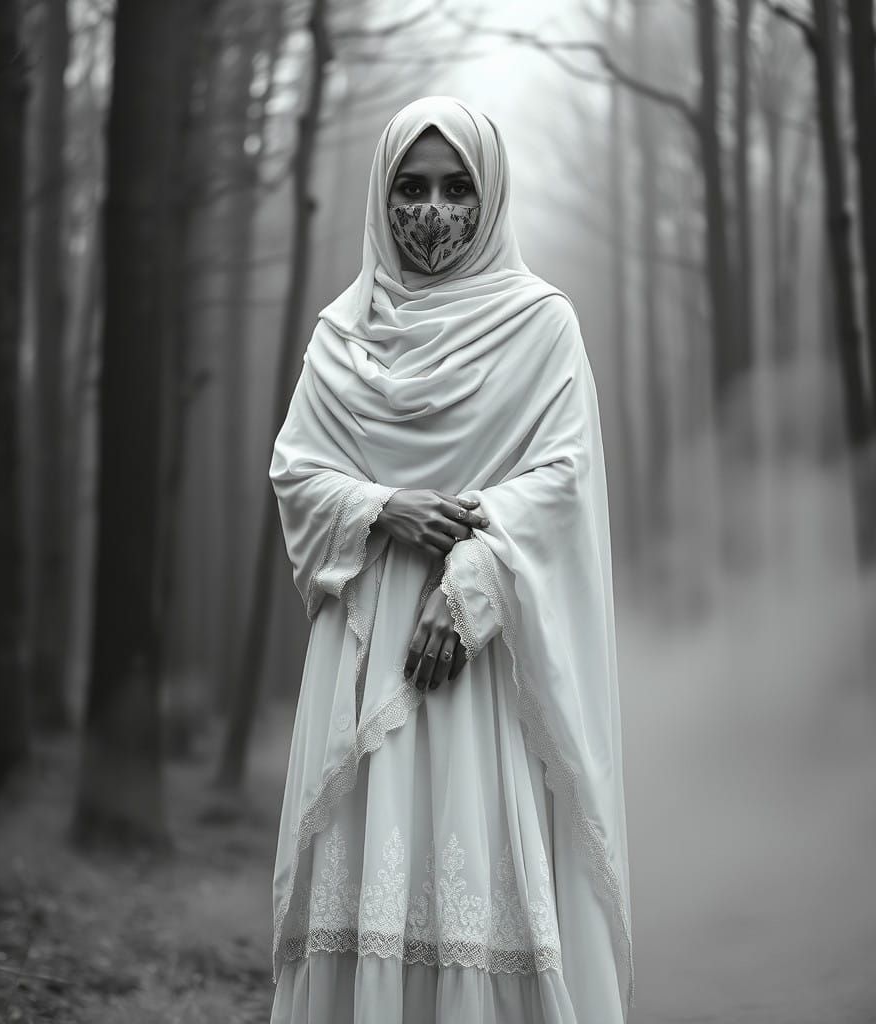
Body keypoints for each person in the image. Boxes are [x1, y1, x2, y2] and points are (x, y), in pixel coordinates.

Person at [267, 95, 633, 1024]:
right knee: (363, 895)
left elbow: (565, 480)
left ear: (492, 195)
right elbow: (297, 470)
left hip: (478, 665)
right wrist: (383, 505)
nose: (433, 210)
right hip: (361, 652)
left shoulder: (540, 324)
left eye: (457, 186)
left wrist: (469, 584)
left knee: (476, 889)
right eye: (412, 187)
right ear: (381, 198)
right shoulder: (340, 336)